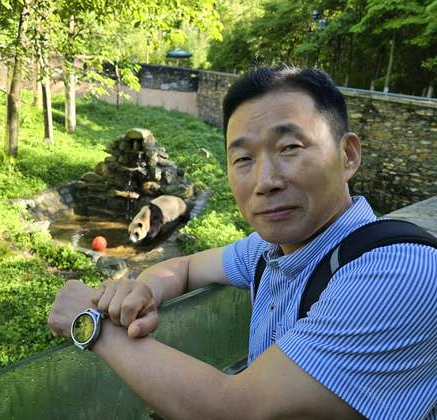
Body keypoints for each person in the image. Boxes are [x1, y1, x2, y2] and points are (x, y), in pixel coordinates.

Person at [48, 65, 437, 420]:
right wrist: (140, 292)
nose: (265, 181)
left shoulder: (398, 273)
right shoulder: (271, 250)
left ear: (348, 155)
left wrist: (93, 325)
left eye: (290, 148)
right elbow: (181, 267)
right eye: (243, 159)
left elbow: (237, 409)